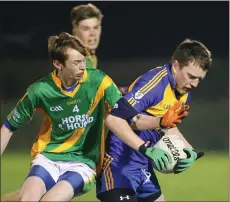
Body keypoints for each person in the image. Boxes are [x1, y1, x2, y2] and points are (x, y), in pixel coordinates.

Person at [0, 32, 189, 201]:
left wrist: (160, 121)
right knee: (27, 198)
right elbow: (9, 126)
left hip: (83, 163)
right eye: (76, 63)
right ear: (58, 64)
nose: (83, 66)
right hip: (49, 157)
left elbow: (131, 119)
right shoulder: (40, 90)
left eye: (83, 60)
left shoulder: (99, 81)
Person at [96, 38, 212, 202]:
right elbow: (113, 119)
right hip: (118, 166)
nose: (194, 84)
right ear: (176, 65)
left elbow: (166, 125)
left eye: (199, 79)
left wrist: (189, 149)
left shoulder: (183, 91)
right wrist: (145, 148)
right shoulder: (154, 84)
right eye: (191, 76)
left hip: (143, 167)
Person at [71, 3, 102, 69]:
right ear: (75, 29)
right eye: (86, 29)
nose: (92, 33)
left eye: (96, 27)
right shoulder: (74, 60)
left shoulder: (91, 57)